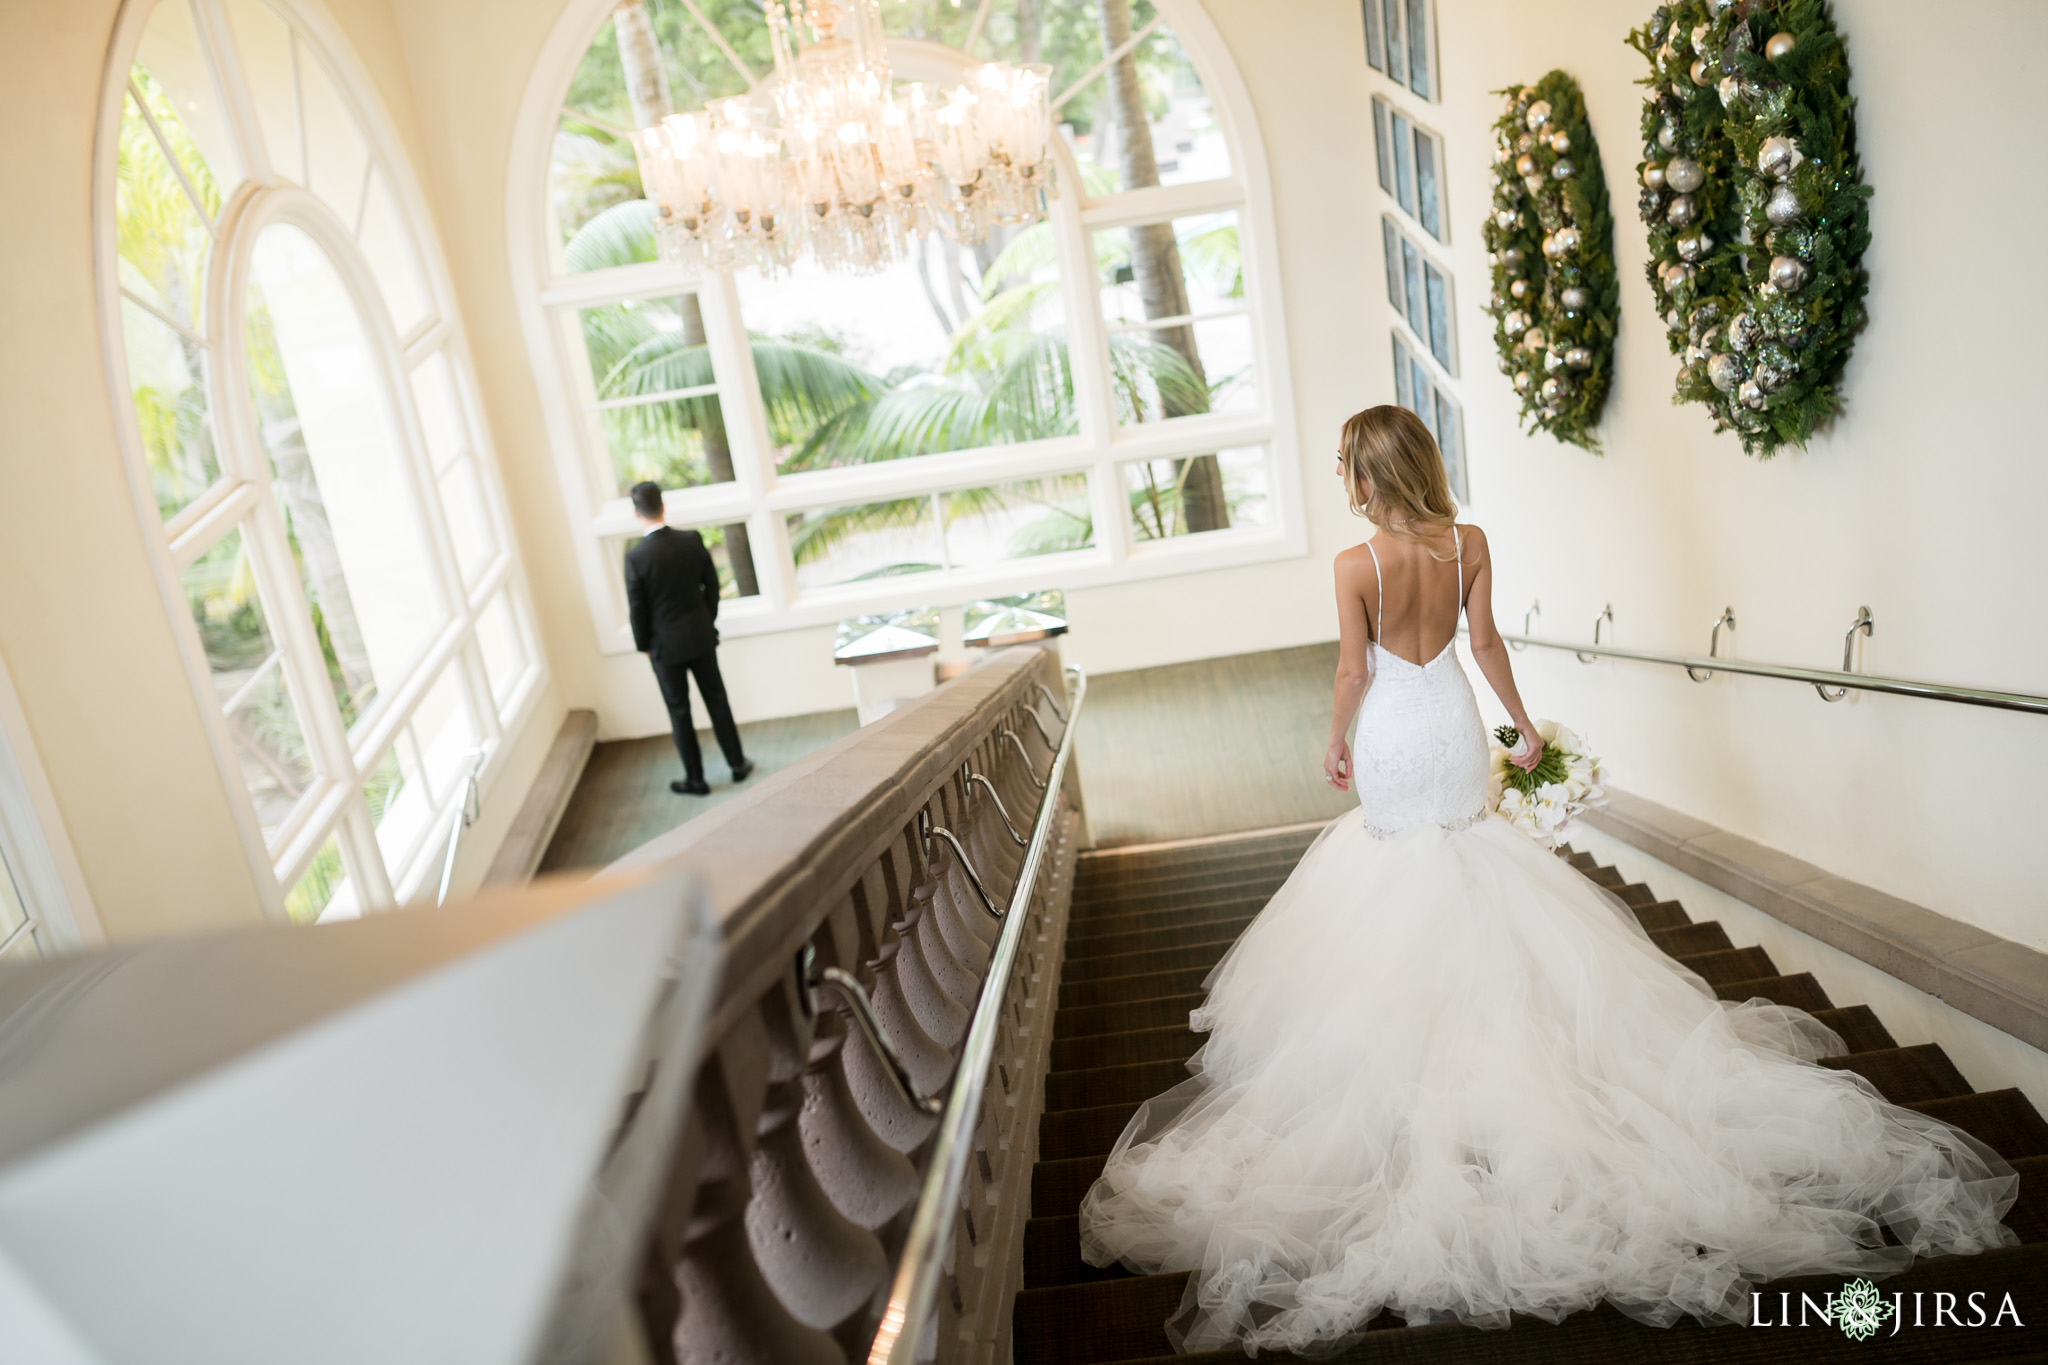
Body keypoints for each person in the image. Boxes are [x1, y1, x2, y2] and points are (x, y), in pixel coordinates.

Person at [1077, 407, 2014, 1354]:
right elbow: (1484, 648)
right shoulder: (1467, 542)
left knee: (1398, 878)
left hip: (1396, 737)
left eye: (1346, 468)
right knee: (1470, 867)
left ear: (1370, 473)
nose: (1343, 481)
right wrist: (1520, 728)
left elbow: (1352, 669)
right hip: (1447, 724)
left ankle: (1424, 1072)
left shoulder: (1354, 565)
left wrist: (1333, 740)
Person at [624, 481, 752, 796]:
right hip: (700, 636)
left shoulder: (636, 558)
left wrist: (644, 646)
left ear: (636, 513)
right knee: (717, 700)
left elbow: (637, 610)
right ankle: (737, 764)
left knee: (679, 711)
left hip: (664, 647)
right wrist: (705, 620)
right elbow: (713, 586)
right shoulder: (691, 540)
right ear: (663, 505)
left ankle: (696, 779)